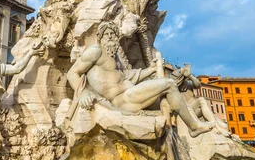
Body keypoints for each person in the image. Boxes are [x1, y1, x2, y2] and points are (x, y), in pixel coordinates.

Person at [67, 22, 215, 138]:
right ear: (100, 37)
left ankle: (176, 137)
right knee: (169, 84)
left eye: (113, 33)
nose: (111, 37)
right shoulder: (95, 52)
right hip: (122, 100)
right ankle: (193, 127)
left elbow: (128, 76)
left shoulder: (114, 56)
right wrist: (83, 92)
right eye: (107, 34)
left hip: (130, 94)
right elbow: (72, 73)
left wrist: (149, 70)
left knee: (168, 104)